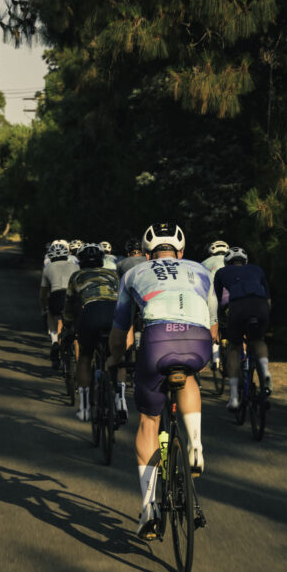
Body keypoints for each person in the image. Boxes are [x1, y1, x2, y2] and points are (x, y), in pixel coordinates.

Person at [107, 222, 218, 540]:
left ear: (145, 254)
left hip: (156, 341)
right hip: (197, 341)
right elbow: (212, 328)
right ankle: (195, 444)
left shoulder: (132, 274)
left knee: (149, 420)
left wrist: (115, 359)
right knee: (189, 377)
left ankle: (149, 508)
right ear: (181, 252)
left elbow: (119, 331)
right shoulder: (201, 271)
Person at [61, 243, 123, 421]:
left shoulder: (77, 276)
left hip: (91, 314)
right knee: (117, 356)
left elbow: (69, 306)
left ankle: (85, 406)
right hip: (113, 314)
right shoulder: (113, 275)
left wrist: (67, 325)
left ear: (80, 262)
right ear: (102, 261)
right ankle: (120, 400)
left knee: (86, 356)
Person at [214, 246, 272, 409]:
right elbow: (268, 300)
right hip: (260, 305)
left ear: (227, 263)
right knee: (258, 340)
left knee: (234, 347)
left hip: (238, 306)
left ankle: (233, 397)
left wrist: (220, 321)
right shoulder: (257, 269)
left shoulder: (221, 273)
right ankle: (265, 371)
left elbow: (217, 301)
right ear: (245, 261)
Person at [40, 240, 79, 364]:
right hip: (72, 296)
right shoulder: (75, 266)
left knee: (52, 315)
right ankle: (78, 358)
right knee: (75, 325)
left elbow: (43, 294)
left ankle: (55, 341)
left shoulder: (47, 268)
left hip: (56, 295)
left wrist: (44, 308)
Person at [202, 240, 230, 370]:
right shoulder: (232, 260)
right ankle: (244, 354)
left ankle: (216, 357)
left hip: (211, 295)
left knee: (214, 321)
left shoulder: (204, 263)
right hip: (232, 296)